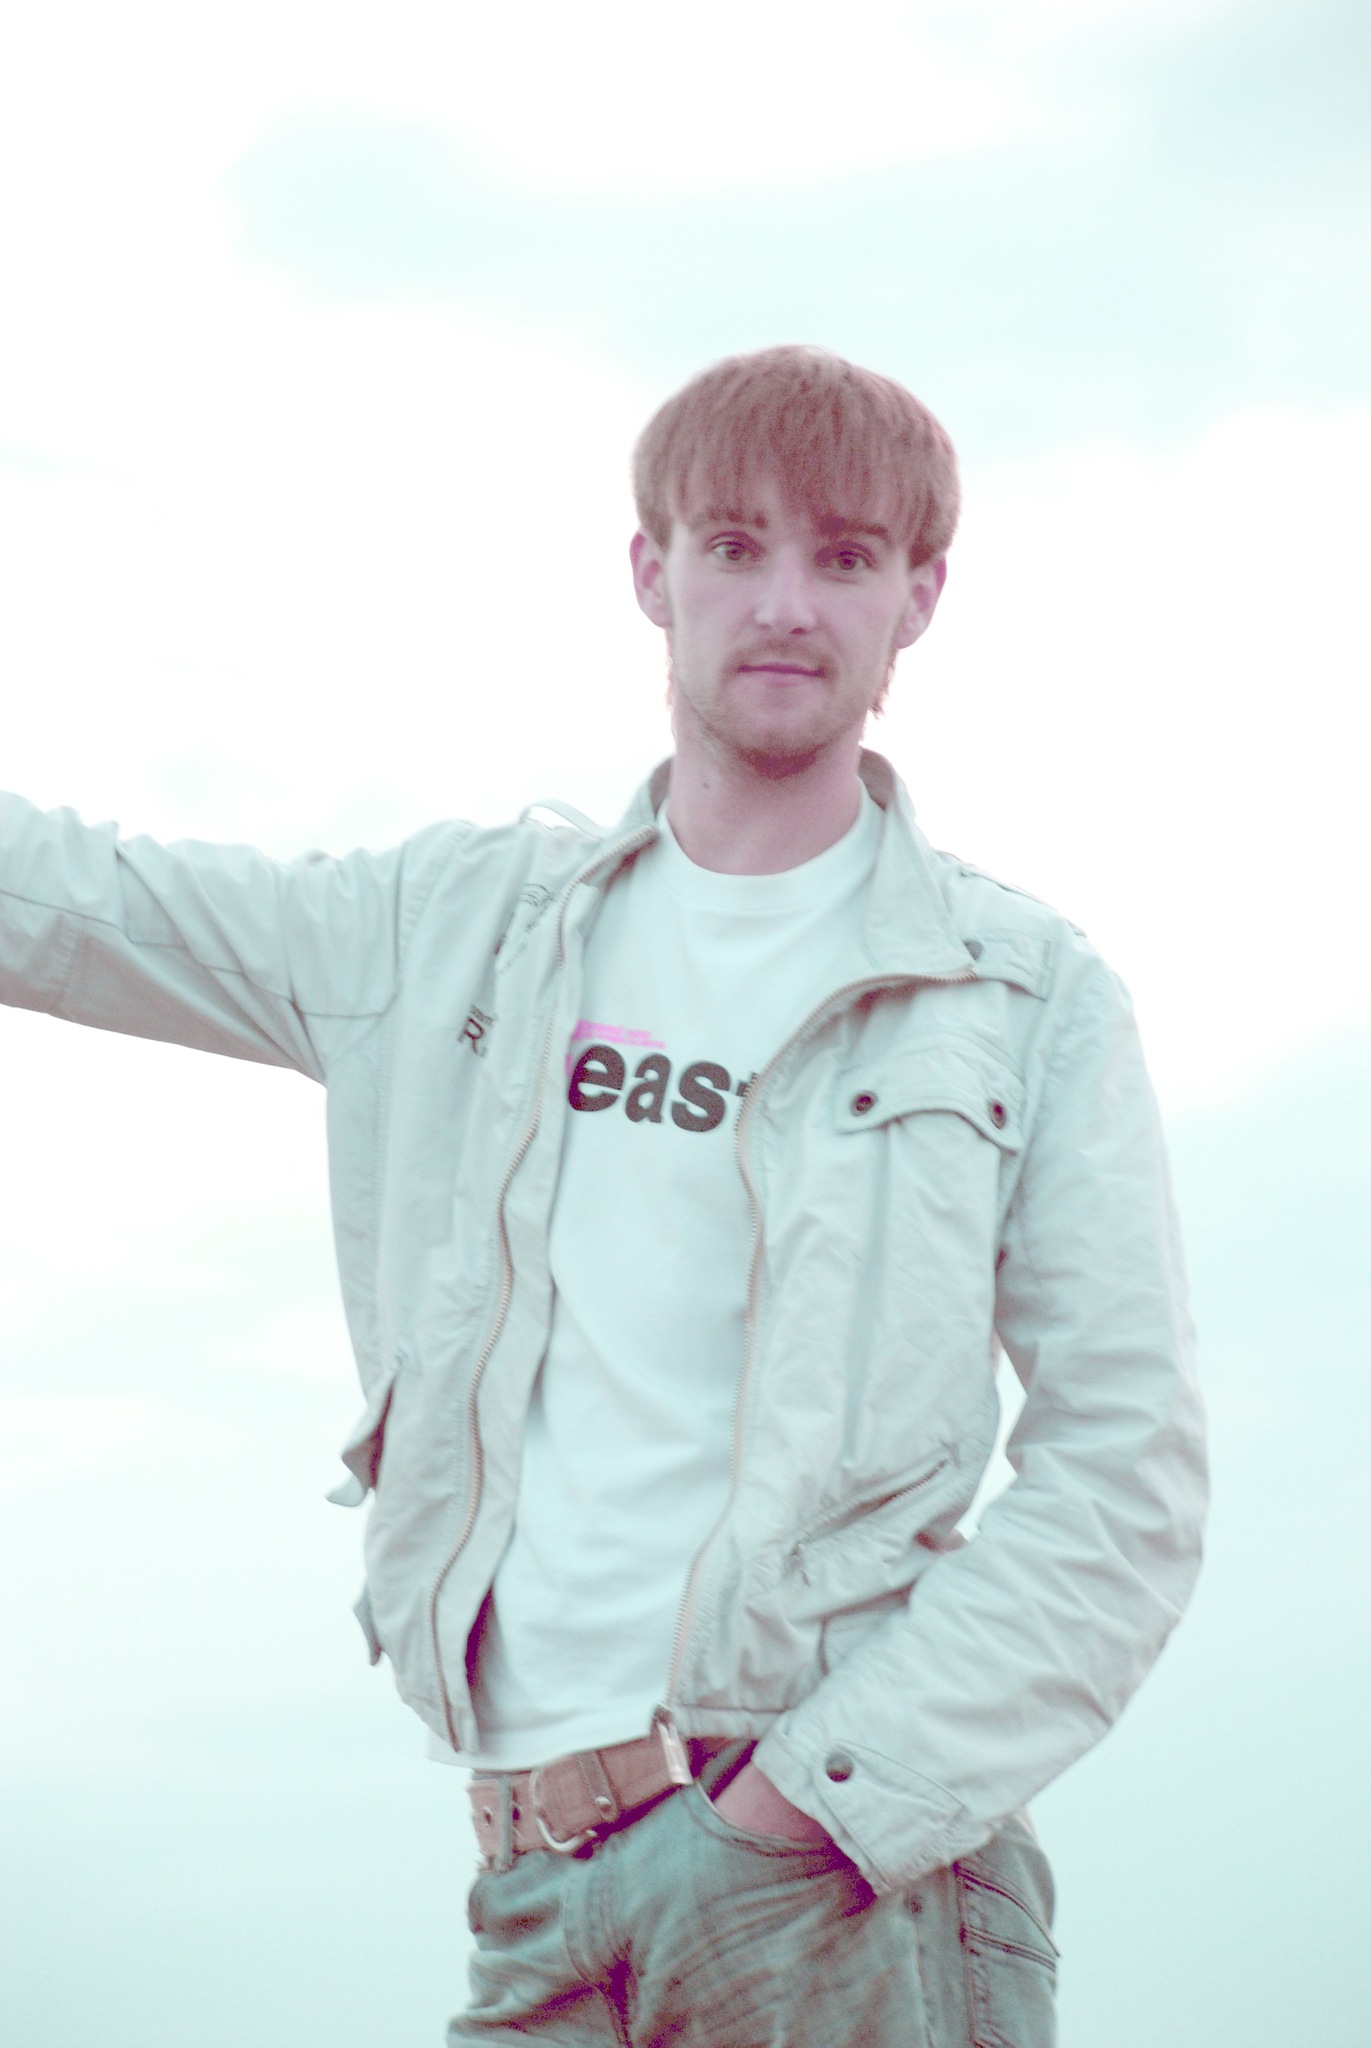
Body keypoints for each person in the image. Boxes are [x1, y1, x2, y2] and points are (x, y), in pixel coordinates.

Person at [0, 345, 1206, 2046]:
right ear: (653, 571)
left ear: (919, 597)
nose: (784, 603)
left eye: (844, 556)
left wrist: (796, 1813)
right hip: (530, 1880)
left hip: (836, 1883)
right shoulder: (454, 932)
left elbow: (1128, 1473)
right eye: (736, 545)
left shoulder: (1020, 994)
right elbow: (79, 904)